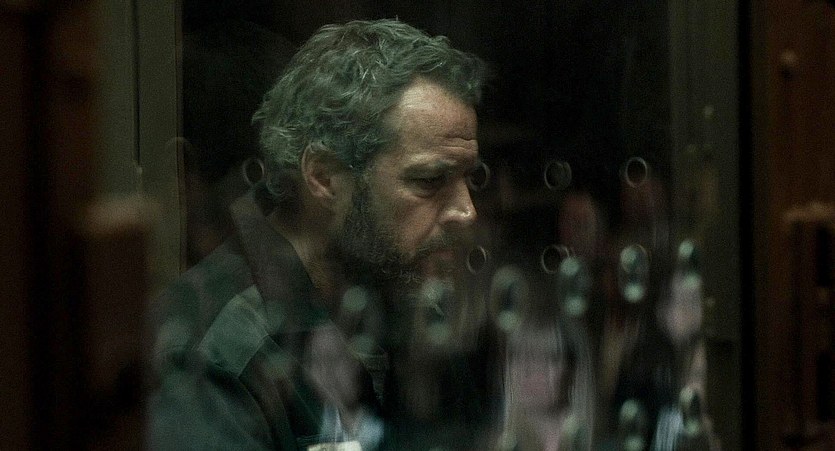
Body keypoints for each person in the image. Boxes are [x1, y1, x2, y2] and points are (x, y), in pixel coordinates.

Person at [146, 19, 487, 450]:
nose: (467, 212)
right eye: (429, 180)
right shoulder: (214, 349)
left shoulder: (398, 306)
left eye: (469, 178)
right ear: (324, 177)